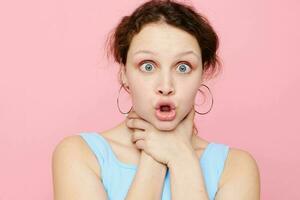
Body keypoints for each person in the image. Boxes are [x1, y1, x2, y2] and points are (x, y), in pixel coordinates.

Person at [52, 0, 260, 199]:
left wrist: (181, 157)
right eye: (148, 66)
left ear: (202, 74)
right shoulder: (80, 155)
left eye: (183, 67)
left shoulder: (235, 167)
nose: (166, 87)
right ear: (124, 73)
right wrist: (154, 158)